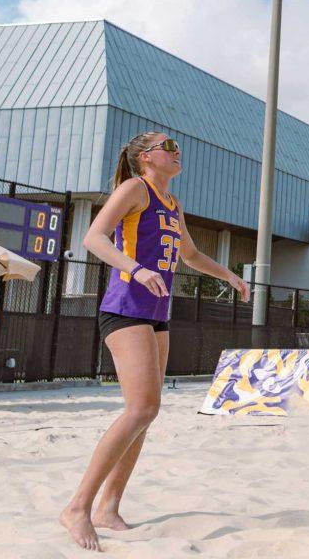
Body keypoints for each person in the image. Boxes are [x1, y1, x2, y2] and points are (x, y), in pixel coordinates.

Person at [59, 133, 249, 551]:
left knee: (145, 413)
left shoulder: (172, 204)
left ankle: (109, 507)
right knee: (142, 407)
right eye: (169, 146)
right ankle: (78, 507)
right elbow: (94, 237)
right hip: (125, 308)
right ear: (146, 157)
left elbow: (191, 255)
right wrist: (135, 269)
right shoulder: (134, 189)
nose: (177, 152)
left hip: (156, 315)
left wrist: (229, 276)